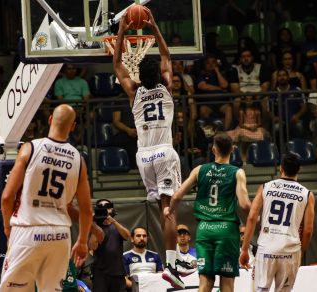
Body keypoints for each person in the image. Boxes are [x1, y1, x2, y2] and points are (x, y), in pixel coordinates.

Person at [113, 7, 190, 289]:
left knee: (161, 206)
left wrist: (122, 29)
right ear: (158, 74)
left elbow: (118, 65)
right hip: (164, 151)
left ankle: (172, 264)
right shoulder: (167, 86)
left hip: (143, 156)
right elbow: (167, 56)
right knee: (169, 209)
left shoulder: (134, 92)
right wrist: (154, 27)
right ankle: (171, 264)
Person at [0, 104, 93, 291]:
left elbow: (7, 196)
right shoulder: (78, 159)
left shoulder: (30, 148)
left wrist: (8, 227)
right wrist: (82, 241)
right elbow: (86, 209)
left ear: (50, 119)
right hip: (60, 234)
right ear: (72, 126)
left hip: (28, 229)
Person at [164, 132, 252, 292]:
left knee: (205, 282)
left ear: (213, 150)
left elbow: (177, 195)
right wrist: (256, 215)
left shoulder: (199, 170)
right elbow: (245, 204)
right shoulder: (237, 172)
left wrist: (169, 209)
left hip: (205, 230)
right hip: (226, 231)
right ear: (232, 150)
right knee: (227, 283)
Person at [239, 152, 315, 292]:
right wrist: (300, 252)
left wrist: (244, 249)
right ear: (300, 169)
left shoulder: (266, 187)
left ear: (281, 168)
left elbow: (251, 218)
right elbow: (308, 231)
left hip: (266, 250)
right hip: (290, 251)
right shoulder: (307, 194)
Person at [90, 199, 131, 292]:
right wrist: (96, 225)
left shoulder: (117, 226)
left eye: (108, 206)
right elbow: (93, 246)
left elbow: (127, 236)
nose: (105, 208)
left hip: (118, 272)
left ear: (112, 209)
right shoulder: (94, 227)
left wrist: (114, 222)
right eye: (101, 206)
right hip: (100, 273)